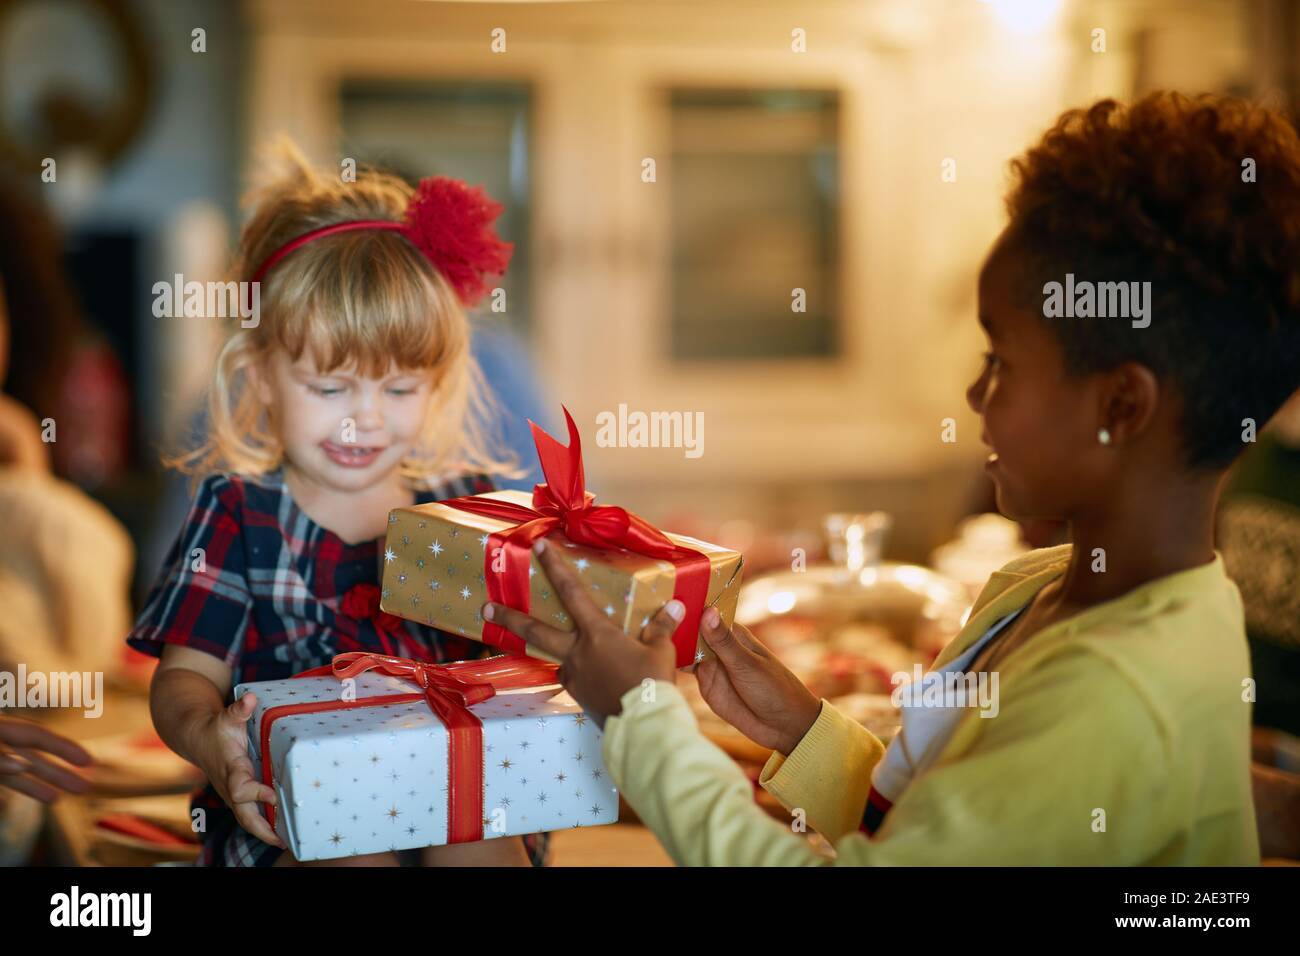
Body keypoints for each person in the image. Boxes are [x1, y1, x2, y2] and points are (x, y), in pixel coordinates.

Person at [484, 92, 1300, 865]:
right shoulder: (1044, 583)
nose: (976, 394)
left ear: (1121, 404)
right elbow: (947, 823)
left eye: (1001, 361)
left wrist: (642, 721)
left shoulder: (1114, 693)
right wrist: (807, 733)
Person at [127, 146, 541, 866]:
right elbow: (185, 677)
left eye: (399, 390)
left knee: (479, 841)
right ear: (261, 379)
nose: (364, 421)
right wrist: (207, 737)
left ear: (435, 387)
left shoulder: (463, 510)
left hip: (453, 792)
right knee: (347, 843)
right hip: (287, 812)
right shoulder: (239, 516)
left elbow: (512, 666)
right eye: (330, 389)